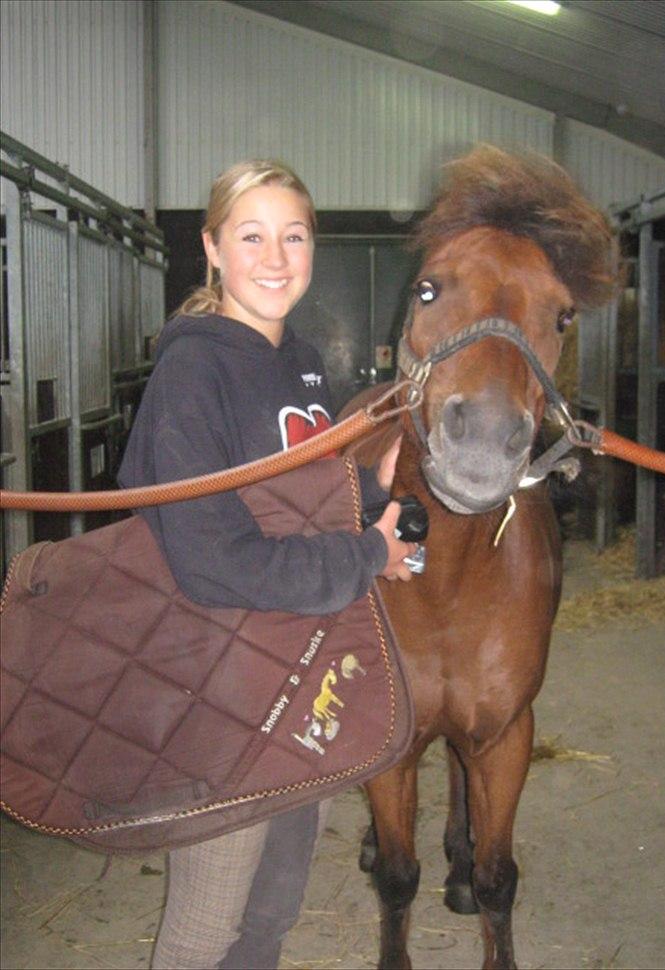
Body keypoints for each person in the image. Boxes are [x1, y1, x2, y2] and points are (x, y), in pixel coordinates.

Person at [118, 159, 416, 970]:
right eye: (251, 236)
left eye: (293, 236)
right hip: (222, 687)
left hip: (301, 672)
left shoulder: (305, 361)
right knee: (205, 926)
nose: (276, 257)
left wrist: (369, 487)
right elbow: (214, 557)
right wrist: (364, 554)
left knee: (274, 905)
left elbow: (290, 492)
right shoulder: (193, 371)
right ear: (212, 248)